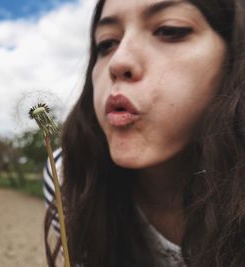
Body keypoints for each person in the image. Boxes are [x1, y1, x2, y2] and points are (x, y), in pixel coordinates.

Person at [42, 0, 245, 266]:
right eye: (106, 43)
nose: (118, 61)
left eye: (170, 30)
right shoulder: (68, 176)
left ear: (234, 57)